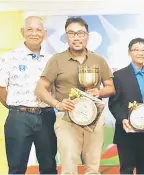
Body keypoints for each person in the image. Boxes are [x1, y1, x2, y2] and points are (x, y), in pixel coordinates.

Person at [35, 17, 115, 174]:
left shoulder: (98, 60)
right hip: (67, 119)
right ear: (66, 36)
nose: (76, 37)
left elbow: (110, 87)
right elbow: (40, 89)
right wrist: (57, 105)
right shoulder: (56, 60)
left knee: (93, 166)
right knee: (69, 166)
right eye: (71, 33)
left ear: (87, 35)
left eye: (80, 33)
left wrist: (99, 92)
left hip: (94, 118)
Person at [0, 16, 57, 174]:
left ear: (45, 33)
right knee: (16, 167)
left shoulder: (52, 59)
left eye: (38, 30)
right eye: (30, 29)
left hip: (46, 117)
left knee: (49, 166)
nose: (34, 33)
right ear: (22, 32)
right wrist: (16, 107)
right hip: (19, 118)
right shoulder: (9, 58)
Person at [108, 38, 144, 174]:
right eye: (136, 49)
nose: (140, 53)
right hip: (127, 130)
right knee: (127, 169)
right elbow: (114, 103)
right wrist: (123, 119)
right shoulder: (119, 75)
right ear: (129, 52)